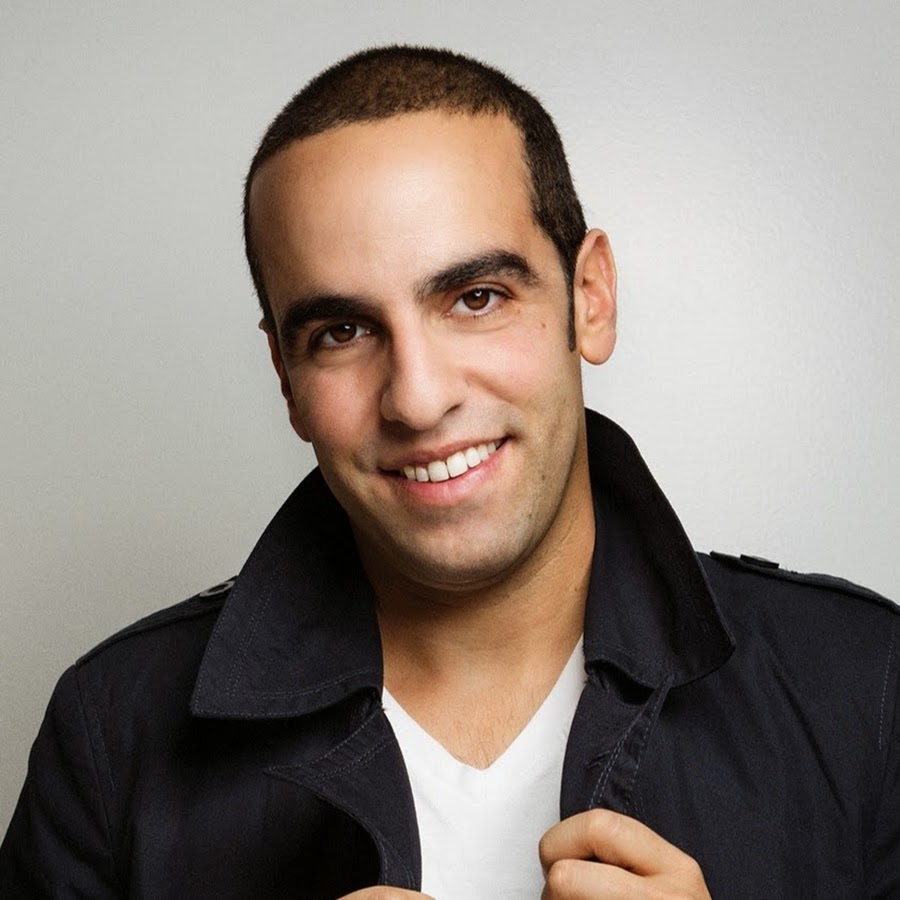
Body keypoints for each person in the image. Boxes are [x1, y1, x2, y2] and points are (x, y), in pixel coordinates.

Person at [1, 45, 897, 899]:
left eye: (476, 298)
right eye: (342, 332)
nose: (419, 399)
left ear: (590, 298)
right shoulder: (113, 732)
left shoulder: (867, 688)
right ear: (284, 376)